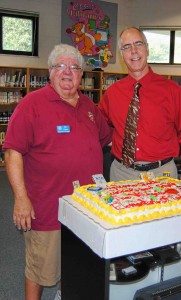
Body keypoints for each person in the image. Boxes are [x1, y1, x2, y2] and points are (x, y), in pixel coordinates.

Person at [3, 44, 112, 300]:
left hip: (88, 209)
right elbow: (12, 152)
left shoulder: (89, 106)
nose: (67, 72)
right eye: (60, 66)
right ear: (50, 72)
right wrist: (20, 198)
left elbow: (106, 140)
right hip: (49, 208)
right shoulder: (31, 105)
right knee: (40, 267)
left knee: (79, 263)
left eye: (74, 67)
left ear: (81, 75)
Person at [98, 27, 181, 185]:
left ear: (147, 49)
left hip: (162, 174)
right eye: (126, 47)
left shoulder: (171, 90)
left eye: (138, 44)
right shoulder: (112, 93)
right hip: (121, 173)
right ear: (121, 55)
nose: (133, 51)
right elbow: (99, 126)